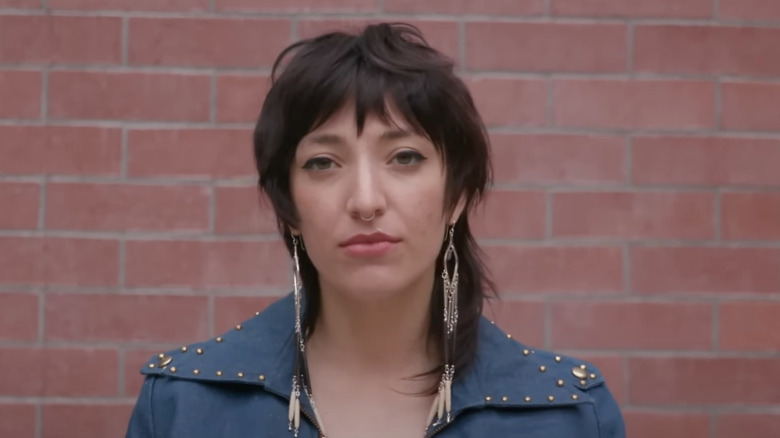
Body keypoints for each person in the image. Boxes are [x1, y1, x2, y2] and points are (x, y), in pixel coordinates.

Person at [125, 22, 625, 438]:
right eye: (323, 162)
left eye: (404, 157)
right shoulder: (184, 406)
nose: (365, 200)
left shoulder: (567, 414)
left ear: (458, 195)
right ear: (289, 206)